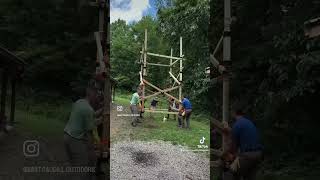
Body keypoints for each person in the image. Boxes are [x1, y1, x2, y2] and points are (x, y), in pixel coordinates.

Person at [63, 86, 98, 180]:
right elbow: (89, 133)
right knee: (81, 169)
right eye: (96, 94)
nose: (97, 97)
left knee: (75, 166)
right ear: (91, 94)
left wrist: (99, 114)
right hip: (74, 140)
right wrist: (91, 150)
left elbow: (85, 118)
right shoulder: (88, 110)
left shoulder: (79, 102)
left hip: (66, 136)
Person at [223, 108, 263, 180]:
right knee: (249, 176)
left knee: (229, 172)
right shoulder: (249, 122)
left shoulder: (237, 124)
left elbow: (233, 147)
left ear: (233, 113)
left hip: (247, 156)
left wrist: (227, 154)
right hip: (258, 154)